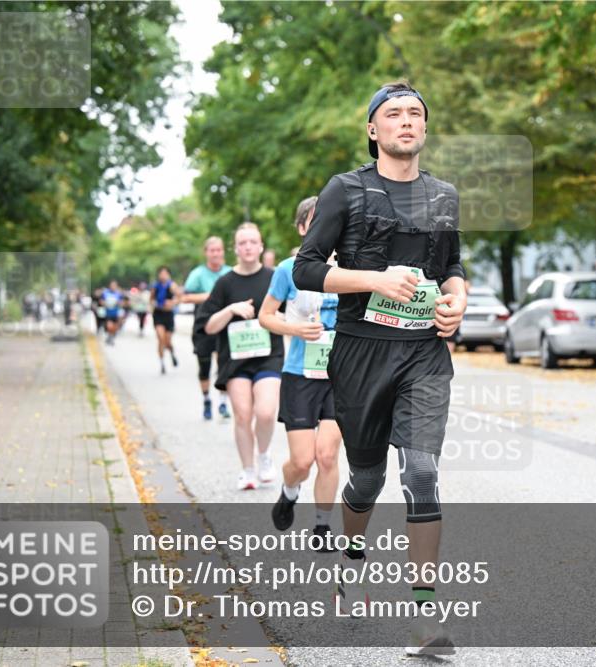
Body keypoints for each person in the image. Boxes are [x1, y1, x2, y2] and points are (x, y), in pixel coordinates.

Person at [293, 81, 466, 655]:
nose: (406, 122)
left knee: (421, 471)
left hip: (423, 352)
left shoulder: (443, 196)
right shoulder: (345, 190)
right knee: (366, 479)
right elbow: (307, 270)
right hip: (361, 353)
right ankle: (351, 557)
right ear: (373, 130)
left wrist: (457, 300)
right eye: (393, 114)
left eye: (416, 113)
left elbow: (454, 266)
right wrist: (374, 279)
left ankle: (424, 617)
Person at [259, 196, 342, 548]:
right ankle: (289, 490)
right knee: (303, 460)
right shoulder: (287, 270)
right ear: (302, 228)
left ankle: (323, 528)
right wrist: (294, 330)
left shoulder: (350, 269)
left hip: (340, 376)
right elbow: (266, 315)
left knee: (327, 454)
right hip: (300, 374)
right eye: (314, 221)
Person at [200, 223, 284, 490]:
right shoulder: (224, 283)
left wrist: (275, 318)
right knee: (243, 415)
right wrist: (231, 310)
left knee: (266, 412)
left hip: (269, 356)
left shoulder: (274, 278)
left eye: (252, 242)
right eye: (242, 243)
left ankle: (263, 454)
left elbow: (291, 314)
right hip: (235, 361)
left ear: (261, 246)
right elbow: (209, 326)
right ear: (235, 249)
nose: (248, 247)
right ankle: (248, 470)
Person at [183, 237, 232, 420]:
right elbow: (186, 298)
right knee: (204, 366)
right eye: (212, 250)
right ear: (206, 253)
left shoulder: (229, 272)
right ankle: (206, 400)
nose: (216, 254)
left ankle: (223, 402)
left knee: (223, 364)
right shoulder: (197, 274)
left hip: (225, 326)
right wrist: (212, 297)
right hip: (203, 325)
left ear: (223, 252)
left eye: (219, 250)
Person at [151, 267, 180, 374]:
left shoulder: (172, 285)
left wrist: (172, 302)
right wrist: (154, 304)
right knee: (160, 338)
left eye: (165, 273)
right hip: (158, 314)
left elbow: (180, 297)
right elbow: (151, 299)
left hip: (169, 315)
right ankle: (162, 362)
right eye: (161, 273)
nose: (163, 275)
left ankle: (172, 353)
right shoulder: (155, 286)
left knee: (167, 341)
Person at [100, 280, 125, 345]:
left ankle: (111, 337)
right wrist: (105, 303)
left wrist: (118, 303)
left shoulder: (118, 294)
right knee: (109, 326)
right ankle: (110, 336)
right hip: (108, 312)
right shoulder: (105, 293)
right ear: (109, 286)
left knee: (115, 327)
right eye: (112, 285)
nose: (113, 287)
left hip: (116, 313)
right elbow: (101, 301)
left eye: (114, 285)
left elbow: (122, 303)